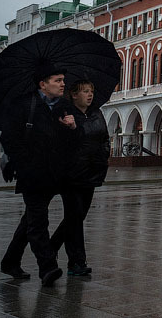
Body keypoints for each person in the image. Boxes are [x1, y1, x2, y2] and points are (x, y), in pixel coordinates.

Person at [0, 64, 77, 286]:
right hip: (32, 174)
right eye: (57, 80)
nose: (63, 84)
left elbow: (68, 144)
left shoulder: (63, 106)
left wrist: (71, 129)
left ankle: (10, 261)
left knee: (30, 220)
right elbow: (8, 139)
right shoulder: (24, 104)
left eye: (63, 79)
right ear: (43, 84)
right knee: (38, 221)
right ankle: (47, 267)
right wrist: (25, 162)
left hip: (54, 174)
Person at [50, 79, 109, 277]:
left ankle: (51, 247)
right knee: (75, 218)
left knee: (77, 217)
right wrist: (71, 129)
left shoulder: (96, 113)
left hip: (92, 172)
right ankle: (76, 262)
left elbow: (104, 139)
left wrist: (103, 156)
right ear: (74, 95)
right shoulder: (65, 114)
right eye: (85, 91)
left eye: (91, 91)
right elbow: (60, 144)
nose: (89, 95)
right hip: (71, 174)